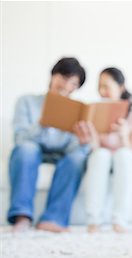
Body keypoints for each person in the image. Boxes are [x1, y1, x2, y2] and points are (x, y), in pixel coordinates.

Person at [7, 57, 90, 233]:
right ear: (53, 75)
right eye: (64, 78)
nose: (67, 86)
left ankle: (53, 219)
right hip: (31, 150)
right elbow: (20, 139)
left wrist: (82, 143)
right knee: (27, 149)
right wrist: (42, 123)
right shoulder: (27, 102)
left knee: (77, 157)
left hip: (61, 155)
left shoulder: (77, 111)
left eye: (73, 84)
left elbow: (72, 150)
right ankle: (22, 217)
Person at [83, 67, 132, 233]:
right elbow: (95, 151)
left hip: (125, 157)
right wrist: (92, 138)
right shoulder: (95, 113)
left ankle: (119, 221)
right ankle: (93, 221)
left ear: (121, 87)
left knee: (124, 155)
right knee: (100, 154)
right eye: (99, 87)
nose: (102, 91)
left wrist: (124, 136)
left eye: (106, 86)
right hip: (102, 158)